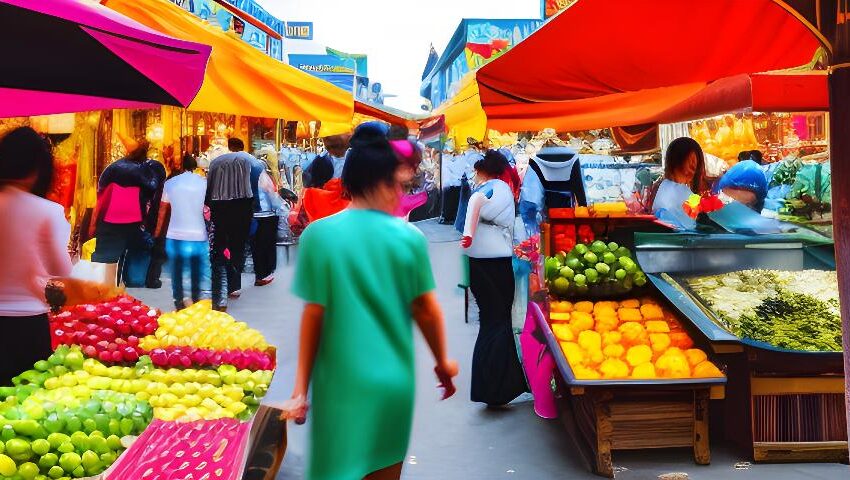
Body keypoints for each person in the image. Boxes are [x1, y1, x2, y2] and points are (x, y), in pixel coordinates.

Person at [281, 123, 458, 480]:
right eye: (397, 185)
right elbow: (425, 310)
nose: (400, 193)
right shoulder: (409, 238)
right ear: (381, 183)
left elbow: (314, 314)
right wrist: (442, 364)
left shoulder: (320, 235)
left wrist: (300, 390)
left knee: (335, 470)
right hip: (393, 383)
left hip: (339, 384)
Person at [0, 127, 72, 385]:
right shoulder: (46, 211)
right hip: (28, 323)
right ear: (37, 168)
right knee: (24, 408)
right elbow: (61, 270)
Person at [460, 150, 527, 407]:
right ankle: (495, 388)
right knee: (496, 322)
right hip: (493, 264)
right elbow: (492, 213)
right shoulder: (498, 187)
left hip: (482, 262)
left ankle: (500, 386)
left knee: (493, 322)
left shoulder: (489, 188)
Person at [90, 138, 158, 274]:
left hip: (110, 219)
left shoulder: (113, 167)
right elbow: (152, 190)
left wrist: (93, 223)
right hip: (133, 219)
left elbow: (101, 196)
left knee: (105, 261)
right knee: (130, 256)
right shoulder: (145, 170)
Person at [206, 138, 255, 311]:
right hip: (243, 205)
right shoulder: (247, 161)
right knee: (238, 245)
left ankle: (222, 287)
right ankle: (235, 285)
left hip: (221, 206)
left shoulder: (216, 162)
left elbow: (209, 186)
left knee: (220, 247)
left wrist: (208, 203)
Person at [157, 154, 210, 310]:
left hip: (175, 234)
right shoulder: (203, 183)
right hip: (198, 234)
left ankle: (179, 301)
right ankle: (195, 298)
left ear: (181, 166)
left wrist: (157, 231)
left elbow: (162, 210)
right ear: (195, 166)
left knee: (177, 270)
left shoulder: (170, 183)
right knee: (196, 269)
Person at [649, 137, 708, 229]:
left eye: (695, 165)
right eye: (691, 163)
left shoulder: (660, 187)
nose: (693, 169)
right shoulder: (677, 191)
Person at [251, 166, 282, 286]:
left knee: (256, 247)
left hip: (253, 215)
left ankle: (259, 274)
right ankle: (265, 273)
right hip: (266, 215)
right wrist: (279, 207)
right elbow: (271, 194)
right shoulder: (263, 176)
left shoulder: (248, 176)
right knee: (266, 245)